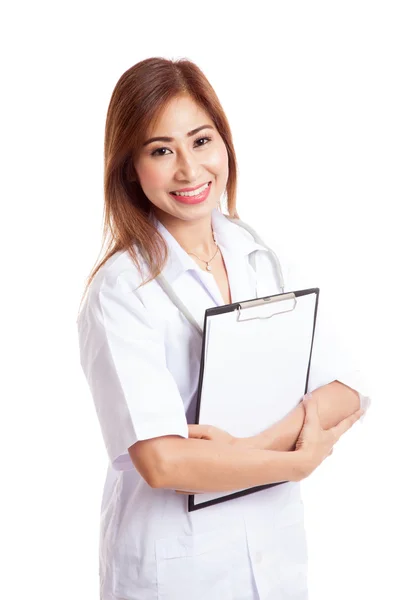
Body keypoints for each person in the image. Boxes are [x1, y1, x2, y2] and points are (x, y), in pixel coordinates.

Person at [76, 57, 371, 600]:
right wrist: (293, 458)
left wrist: (259, 448)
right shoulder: (121, 292)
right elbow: (163, 462)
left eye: (201, 140)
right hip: (179, 568)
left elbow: (346, 390)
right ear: (130, 170)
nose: (190, 170)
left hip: (274, 557)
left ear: (225, 144)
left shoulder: (261, 259)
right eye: (161, 150)